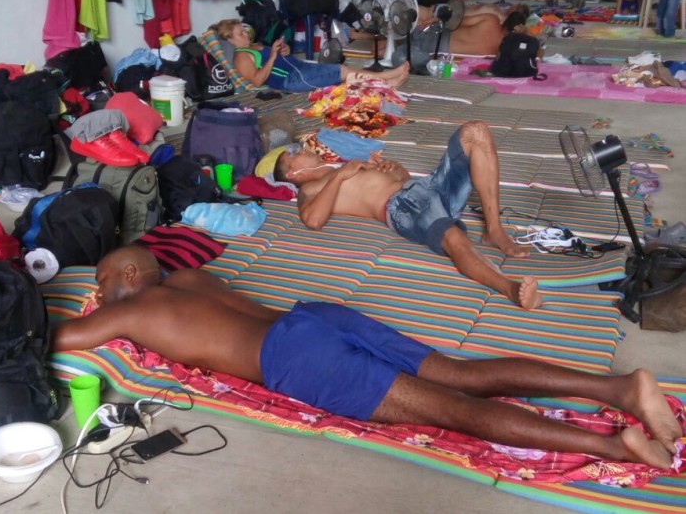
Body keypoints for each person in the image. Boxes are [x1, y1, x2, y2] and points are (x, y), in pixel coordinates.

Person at [51, 245, 683, 470]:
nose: (98, 292)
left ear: (133, 271)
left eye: (104, 279)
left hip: (292, 356)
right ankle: (622, 388)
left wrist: (86, 308)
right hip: (314, 315)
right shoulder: (191, 280)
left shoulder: (132, 307)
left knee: (451, 410)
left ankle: (611, 446)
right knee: (461, 374)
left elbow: (60, 340)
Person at [273, 120, 542, 309]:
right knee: (453, 238)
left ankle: (493, 230)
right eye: (294, 153)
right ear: (292, 174)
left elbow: (402, 177)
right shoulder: (310, 188)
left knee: (475, 131)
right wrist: (342, 174)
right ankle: (510, 289)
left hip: (425, 186)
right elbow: (313, 220)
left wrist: (394, 168)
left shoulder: (339, 168)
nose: (303, 149)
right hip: (401, 206)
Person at [213, 19, 411, 92]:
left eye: (245, 30)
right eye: (240, 34)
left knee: (342, 76)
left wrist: (284, 51)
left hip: (299, 67)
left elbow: (276, 58)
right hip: (293, 80)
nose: (246, 34)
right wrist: (273, 56)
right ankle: (386, 77)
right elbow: (257, 81)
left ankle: (387, 85)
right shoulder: (240, 57)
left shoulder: (253, 46)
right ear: (230, 39)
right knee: (341, 71)